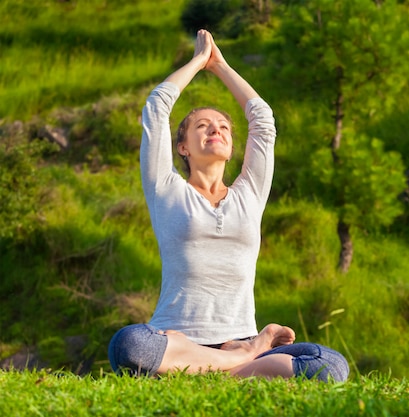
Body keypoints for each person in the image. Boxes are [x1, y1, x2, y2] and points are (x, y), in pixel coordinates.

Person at [108, 30, 349, 382]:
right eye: (202, 126)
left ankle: (216, 369)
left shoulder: (248, 195)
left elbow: (263, 121)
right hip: (176, 340)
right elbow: (156, 108)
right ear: (182, 147)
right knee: (130, 345)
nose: (215, 130)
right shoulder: (167, 189)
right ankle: (240, 364)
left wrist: (220, 65)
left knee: (329, 365)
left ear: (233, 145)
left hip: (237, 338)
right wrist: (196, 63)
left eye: (223, 127)